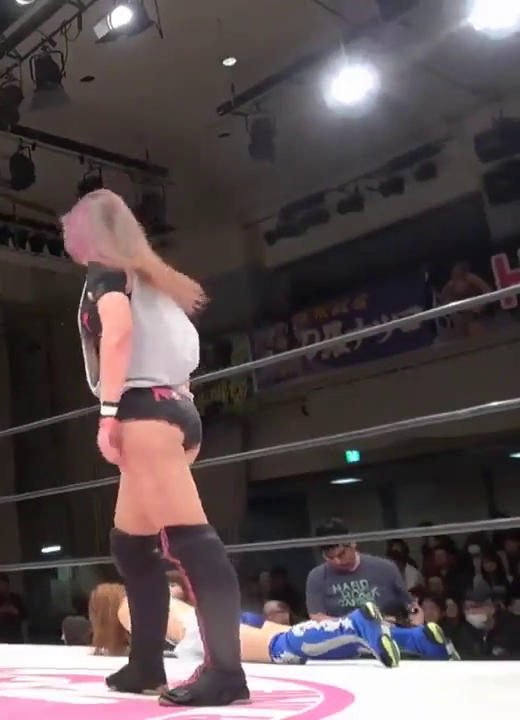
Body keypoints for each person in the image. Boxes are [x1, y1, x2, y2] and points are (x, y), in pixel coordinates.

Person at [62, 189, 245, 706]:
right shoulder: (156, 280)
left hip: (145, 412)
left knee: (191, 541)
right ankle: (146, 663)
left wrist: (108, 412)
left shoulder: (107, 272)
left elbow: (117, 334)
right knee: (131, 543)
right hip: (174, 409)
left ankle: (226, 673)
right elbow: (183, 350)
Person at [88, 582, 399, 667]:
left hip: (201, 633)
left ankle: (353, 624)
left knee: (281, 647)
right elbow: (175, 590)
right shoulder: (148, 595)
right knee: (290, 637)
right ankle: (413, 639)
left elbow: (146, 648)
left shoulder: (126, 608)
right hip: (208, 623)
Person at [305, 519, 453, 659]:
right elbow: (317, 616)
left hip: (389, 633)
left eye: (341, 554)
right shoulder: (317, 576)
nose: (337, 561)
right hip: (345, 641)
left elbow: (411, 606)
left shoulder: (385, 568)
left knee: (419, 638)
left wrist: (414, 623)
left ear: (353, 543)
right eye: (330, 558)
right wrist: (356, 626)